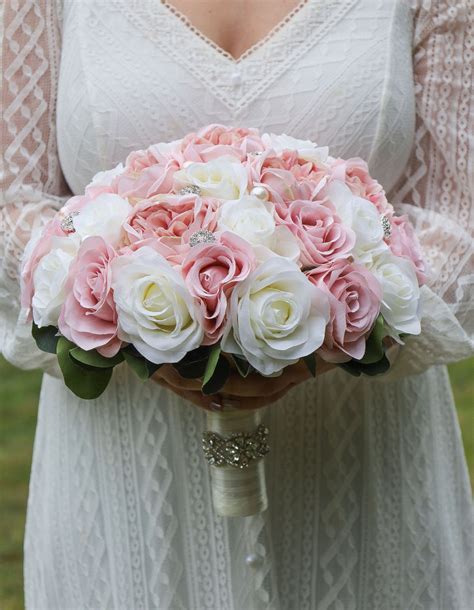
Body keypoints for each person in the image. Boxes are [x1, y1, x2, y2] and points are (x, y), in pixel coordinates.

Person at [1, 0, 473, 608]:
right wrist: (137, 313)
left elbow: (459, 216)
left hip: (361, 460)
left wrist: (329, 323)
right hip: (127, 465)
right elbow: (13, 198)